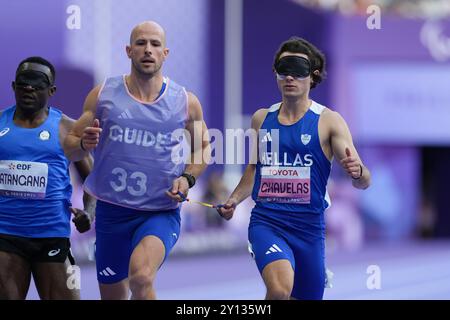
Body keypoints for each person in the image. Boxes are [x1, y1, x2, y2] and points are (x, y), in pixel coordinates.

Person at [63, 21, 210, 300]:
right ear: (129, 51)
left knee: (141, 277)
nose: (148, 50)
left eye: (155, 44)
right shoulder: (103, 94)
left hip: (158, 212)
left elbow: (202, 148)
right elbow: (71, 146)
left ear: (165, 53)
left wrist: (187, 178)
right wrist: (83, 143)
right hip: (111, 213)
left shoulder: (185, 101)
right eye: (141, 43)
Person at [218, 37, 371, 300]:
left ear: (312, 76)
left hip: (309, 229)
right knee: (279, 290)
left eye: (297, 70)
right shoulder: (261, 119)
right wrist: (233, 199)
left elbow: (363, 181)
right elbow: (254, 170)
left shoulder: (329, 121)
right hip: (268, 222)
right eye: (283, 69)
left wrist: (358, 172)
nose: (290, 77)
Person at [0, 57, 95, 300]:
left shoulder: (68, 129)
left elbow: (94, 180)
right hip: (5, 236)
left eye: (37, 84)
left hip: (51, 235)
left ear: (51, 91)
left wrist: (89, 213)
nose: (29, 89)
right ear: (13, 87)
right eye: (23, 84)